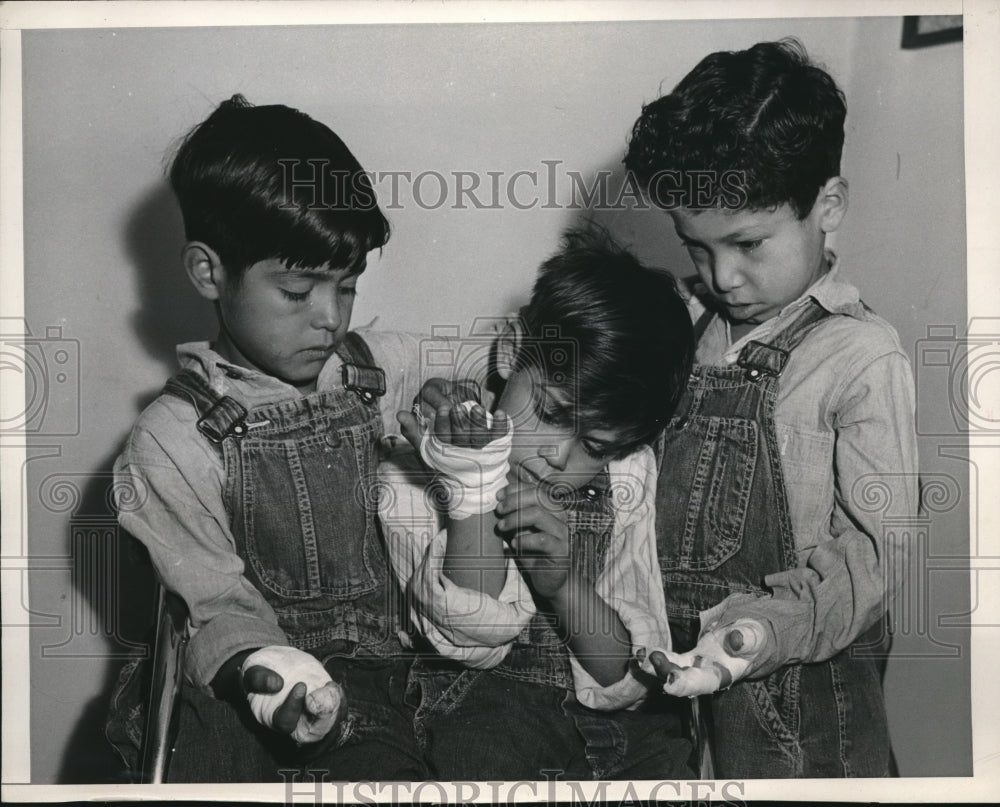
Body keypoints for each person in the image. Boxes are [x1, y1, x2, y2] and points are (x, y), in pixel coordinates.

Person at [109, 95, 443, 782]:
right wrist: (275, 674)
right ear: (208, 271)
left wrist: (455, 408)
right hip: (247, 685)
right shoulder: (174, 440)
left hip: (388, 678)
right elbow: (212, 607)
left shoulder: (380, 370)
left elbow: (493, 389)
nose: (329, 317)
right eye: (298, 291)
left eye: (345, 286)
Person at [624, 39, 919, 778]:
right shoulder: (680, 323)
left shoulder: (859, 357)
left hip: (802, 707)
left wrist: (757, 632)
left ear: (828, 206)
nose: (722, 275)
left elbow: (875, 559)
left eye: (748, 243)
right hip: (673, 702)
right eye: (696, 247)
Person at [378, 228, 696, 780]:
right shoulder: (422, 461)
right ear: (509, 351)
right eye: (550, 413)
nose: (557, 456)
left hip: (623, 738)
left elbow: (631, 673)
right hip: (484, 715)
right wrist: (473, 489)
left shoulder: (626, 473)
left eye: (593, 446)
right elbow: (465, 642)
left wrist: (566, 586)